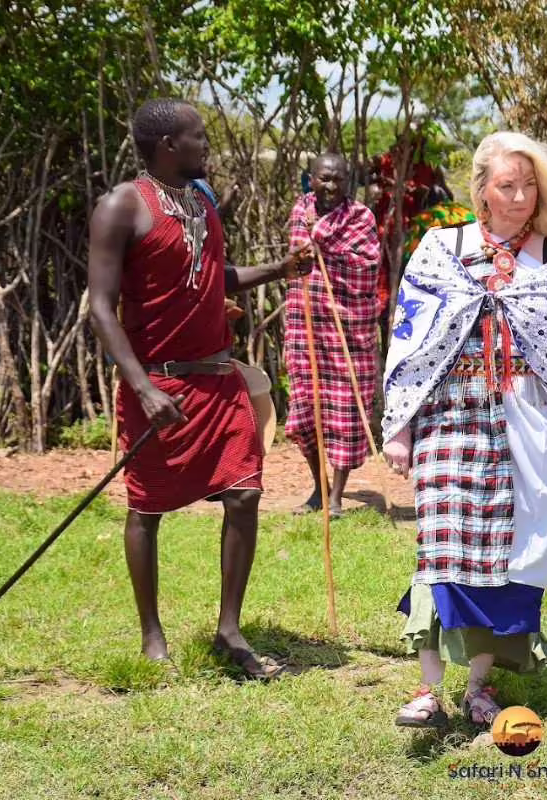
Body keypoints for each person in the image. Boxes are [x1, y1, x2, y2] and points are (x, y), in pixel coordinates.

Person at [381, 132, 547, 729]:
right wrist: (400, 425)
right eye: (507, 186)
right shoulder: (441, 249)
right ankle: (427, 688)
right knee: (442, 545)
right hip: (451, 413)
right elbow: (411, 339)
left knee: (514, 553)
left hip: (534, 418)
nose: (520, 197)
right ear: (481, 190)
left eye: (528, 186)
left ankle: (479, 687)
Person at [88, 98, 312, 679]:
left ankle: (229, 630)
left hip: (219, 377)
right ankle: (152, 636)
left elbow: (215, 278)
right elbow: (101, 309)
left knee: (244, 494)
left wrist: (281, 269)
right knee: (147, 508)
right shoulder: (122, 206)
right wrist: (143, 388)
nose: (206, 145)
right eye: (198, 137)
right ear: (168, 145)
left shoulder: (202, 199)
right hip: (160, 385)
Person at [285, 153, 382, 516]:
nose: (330, 186)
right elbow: (295, 262)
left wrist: (322, 243)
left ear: (348, 182)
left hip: (347, 330)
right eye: (324, 178)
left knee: (346, 412)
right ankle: (319, 489)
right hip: (305, 326)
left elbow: (367, 265)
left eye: (338, 179)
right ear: (311, 179)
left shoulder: (360, 217)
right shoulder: (300, 211)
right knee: (305, 411)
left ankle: (337, 496)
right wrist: (310, 246)